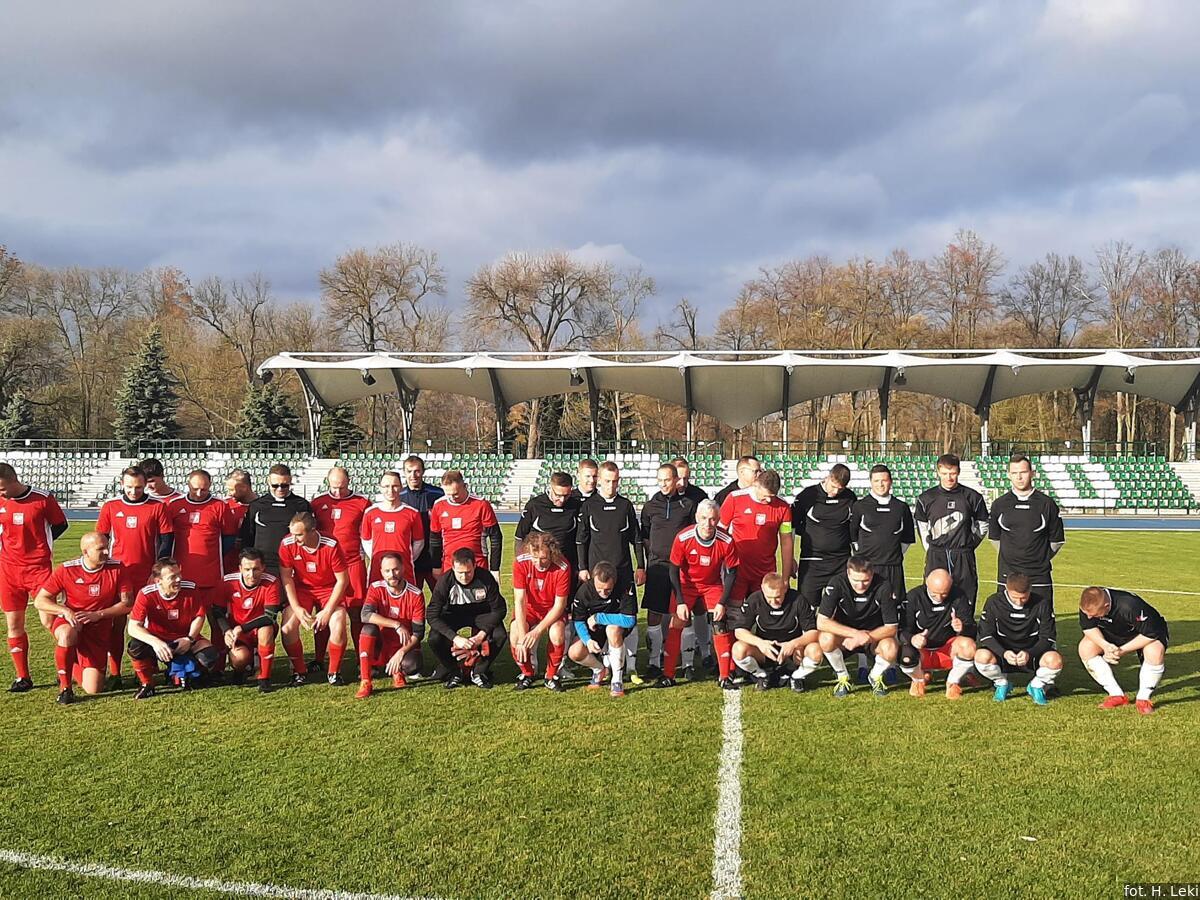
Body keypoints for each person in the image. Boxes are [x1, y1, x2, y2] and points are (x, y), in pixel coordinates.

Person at [32, 532, 134, 703]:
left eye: (107, 547)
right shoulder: (67, 569)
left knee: (93, 689)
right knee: (66, 633)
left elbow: (127, 604)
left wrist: (98, 615)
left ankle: (71, 663)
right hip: (72, 621)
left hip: (98, 627)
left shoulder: (117, 568)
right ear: (85, 552)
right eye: (101, 549)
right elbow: (40, 600)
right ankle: (65, 688)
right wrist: (65, 611)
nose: (107, 552)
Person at [95, 465, 173, 688]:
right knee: (117, 624)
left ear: (145, 484)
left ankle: (153, 668)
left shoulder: (158, 507)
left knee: (152, 623)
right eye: (129, 487)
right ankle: (115, 673)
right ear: (122, 484)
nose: (133, 491)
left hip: (146, 575)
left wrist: (156, 572)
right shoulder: (111, 506)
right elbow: (101, 539)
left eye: (138, 487)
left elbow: (166, 541)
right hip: (118, 576)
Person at [0, 462, 69, 691]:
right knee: (14, 624)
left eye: (2, 488)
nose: (1, 493)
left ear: (13, 480)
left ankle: (70, 663)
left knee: (49, 620)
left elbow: (61, 525)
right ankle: (23, 677)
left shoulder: (42, 498)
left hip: (38, 570)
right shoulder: (1, 501)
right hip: (8, 571)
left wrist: (40, 543)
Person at [576, 461, 646, 681]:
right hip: (597, 576)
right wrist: (582, 567)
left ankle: (631, 666)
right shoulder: (589, 506)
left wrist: (641, 565)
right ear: (599, 480)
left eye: (615, 481)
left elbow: (636, 539)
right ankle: (607, 662)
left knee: (628, 617)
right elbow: (581, 540)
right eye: (607, 481)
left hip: (623, 573)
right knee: (599, 619)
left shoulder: (625, 505)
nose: (611, 485)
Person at [658, 499, 739, 688]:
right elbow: (673, 570)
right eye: (704, 518)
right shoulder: (683, 538)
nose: (708, 524)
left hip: (712, 585)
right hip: (686, 585)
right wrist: (680, 601)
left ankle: (725, 675)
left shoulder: (726, 540)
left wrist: (722, 602)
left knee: (719, 623)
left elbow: (732, 572)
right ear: (696, 517)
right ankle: (668, 675)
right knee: (676, 623)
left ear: (718, 519)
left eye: (712, 519)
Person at [165, 469, 237, 671]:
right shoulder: (174, 505)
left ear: (210, 485)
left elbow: (229, 539)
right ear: (188, 485)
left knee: (217, 622)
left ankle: (218, 667)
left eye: (204, 489)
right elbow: (166, 539)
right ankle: (177, 667)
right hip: (181, 580)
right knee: (179, 623)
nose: (199, 493)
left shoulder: (219, 506)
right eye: (195, 488)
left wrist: (211, 557)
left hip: (211, 577)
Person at [126, 558, 217, 700]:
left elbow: (199, 617)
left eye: (179, 574)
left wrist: (189, 639)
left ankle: (186, 673)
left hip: (184, 638)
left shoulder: (190, 588)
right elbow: (133, 627)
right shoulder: (146, 594)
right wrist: (156, 642)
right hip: (159, 639)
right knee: (135, 646)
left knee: (209, 656)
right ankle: (147, 684)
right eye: (172, 577)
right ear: (158, 581)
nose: (179, 579)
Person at [277, 512, 351, 687]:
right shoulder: (287, 543)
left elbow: (342, 580)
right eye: (292, 533)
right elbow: (286, 577)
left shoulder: (330, 544)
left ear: (312, 531)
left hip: (329, 589)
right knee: (287, 627)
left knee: (338, 621)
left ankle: (334, 672)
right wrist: (296, 608)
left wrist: (327, 611)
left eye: (299, 534)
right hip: (303, 589)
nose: (294, 538)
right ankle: (299, 671)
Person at [639, 463, 696, 679]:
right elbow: (644, 535)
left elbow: (693, 534)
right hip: (657, 568)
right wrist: (651, 556)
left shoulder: (688, 505)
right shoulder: (650, 506)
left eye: (667, 480)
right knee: (654, 613)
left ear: (676, 480)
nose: (663, 484)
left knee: (683, 613)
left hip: (681, 569)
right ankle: (654, 662)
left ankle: (688, 663)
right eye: (660, 480)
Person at [311, 466, 371, 663]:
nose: (337, 492)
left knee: (356, 611)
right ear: (328, 483)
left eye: (342, 487)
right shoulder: (317, 503)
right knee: (324, 611)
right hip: (326, 566)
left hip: (353, 563)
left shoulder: (362, 503)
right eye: (334, 487)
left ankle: (363, 659)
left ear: (349, 482)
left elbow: (368, 534)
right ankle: (319, 659)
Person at [1078, 586, 1168, 715]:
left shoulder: (1130, 605)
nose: (1089, 617)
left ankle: (1143, 699)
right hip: (1113, 633)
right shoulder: (1089, 603)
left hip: (1145, 633)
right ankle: (1116, 695)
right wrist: (1105, 646)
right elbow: (1088, 628)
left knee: (1155, 651)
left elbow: (1150, 634)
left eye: (1094, 615)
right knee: (1085, 648)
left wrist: (1121, 650)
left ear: (1106, 606)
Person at [426, 547, 508, 689]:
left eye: (468, 572)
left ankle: (479, 671)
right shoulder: (445, 581)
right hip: (453, 614)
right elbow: (432, 615)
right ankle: (454, 670)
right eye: (460, 573)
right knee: (434, 638)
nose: (464, 577)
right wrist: (455, 638)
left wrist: (481, 635)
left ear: (475, 566)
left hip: (481, 613)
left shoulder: (486, 578)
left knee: (500, 635)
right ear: (453, 568)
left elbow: (499, 609)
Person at [988, 453, 1065, 605]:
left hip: (1038, 574)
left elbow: (1056, 541)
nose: (1019, 477)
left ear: (1032, 473)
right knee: (1006, 615)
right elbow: (994, 538)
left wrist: (1039, 557)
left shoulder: (1047, 504)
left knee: (1042, 614)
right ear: (1009, 475)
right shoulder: (999, 504)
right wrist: (1011, 556)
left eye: (1023, 472)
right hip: (1008, 573)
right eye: (1014, 473)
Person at [817, 557, 899, 698]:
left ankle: (874, 677)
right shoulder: (837, 583)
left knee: (891, 647)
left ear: (872, 574)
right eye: (855, 580)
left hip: (873, 638)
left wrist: (867, 637)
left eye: (865, 580)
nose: (860, 586)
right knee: (825, 638)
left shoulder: (884, 586)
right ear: (848, 573)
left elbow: (891, 627)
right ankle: (843, 677)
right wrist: (855, 634)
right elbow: (822, 622)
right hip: (846, 638)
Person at [974, 573, 1061, 705]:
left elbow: (1048, 637)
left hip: (1031, 652)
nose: (1019, 602)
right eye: (1015, 597)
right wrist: (1003, 652)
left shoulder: (1042, 603)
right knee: (981, 656)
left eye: (1024, 598)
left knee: (1055, 661)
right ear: (1006, 589)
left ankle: (1036, 685)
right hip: (1004, 652)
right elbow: (985, 635)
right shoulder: (993, 602)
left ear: (1030, 590)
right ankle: (1001, 683)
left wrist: (1029, 653)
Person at [915, 453, 989, 606]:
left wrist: (970, 544)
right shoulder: (926, 498)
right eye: (944, 473)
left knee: (966, 598)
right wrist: (930, 548)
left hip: (963, 555)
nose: (948, 478)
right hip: (937, 554)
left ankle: (964, 622)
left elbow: (983, 524)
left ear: (958, 472)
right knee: (934, 597)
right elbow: (922, 526)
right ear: (938, 472)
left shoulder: (973, 497)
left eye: (953, 473)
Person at [731, 573, 823, 692]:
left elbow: (813, 633)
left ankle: (797, 677)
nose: (773, 601)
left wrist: (793, 644)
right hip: (765, 652)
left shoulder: (798, 599)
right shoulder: (755, 599)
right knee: (738, 649)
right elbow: (739, 631)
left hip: (793, 652)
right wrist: (760, 643)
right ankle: (761, 675)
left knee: (815, 651)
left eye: (778, 597)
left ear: (785, 588)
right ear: (762, 589)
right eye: (769, 597)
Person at [897, 569, 977, 699]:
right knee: (905, 656)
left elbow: (972, 628)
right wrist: (913, 639)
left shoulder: (959, 595)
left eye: (944, 593)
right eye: (934, 594)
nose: (940, 598)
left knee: (969, 646)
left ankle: (952, 682)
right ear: (927, 584)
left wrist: (962, 627)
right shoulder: (913, 597)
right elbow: (902, 631)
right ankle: (918, 679)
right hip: (922, 650)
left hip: (947, 649)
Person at [356, 551, 426, 698]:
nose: (392, 574)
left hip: (403, 644)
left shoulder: (416, 595)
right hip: (382, 642)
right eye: (387, 571)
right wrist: (396, 624)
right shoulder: (376, 588)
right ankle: (365, 681)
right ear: (381, 572)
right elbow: (365, 615)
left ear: (403, 568)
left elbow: (418, 633)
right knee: (368, 629)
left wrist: (401, 652)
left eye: (395, 569)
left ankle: (398, 671)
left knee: (413, 665)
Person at [718, 468, 794, 604]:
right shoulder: (735, 498)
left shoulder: (783, 507)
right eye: (765, 495)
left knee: (762, 611)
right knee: (734, 611)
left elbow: (786, 542)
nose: (769, 500)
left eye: (772, 496)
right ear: (756, 484)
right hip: (737, 570)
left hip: (765, 572)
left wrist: (785, 578)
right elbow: (720, 533)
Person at [212, 548, 280, 693]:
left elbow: (270, 616)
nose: (251, 574)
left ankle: (264, 678)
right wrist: (226, 630)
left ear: (263, 567)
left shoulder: (271, 582)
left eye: (256, 569)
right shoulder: (228, 582)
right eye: (247, 569)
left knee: (266, 630)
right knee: (239, 658)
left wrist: (242, 628)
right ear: (240, 568)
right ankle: (239, 671)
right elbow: (217, 610)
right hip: (238, 632)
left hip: (258, 629)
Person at [510, 532, 572, 691]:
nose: (538, 563)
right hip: (530, 610)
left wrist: (537, 631)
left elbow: (559, 605)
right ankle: (527, 673)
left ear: (552, 553)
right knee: (515, 633)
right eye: (534, 557)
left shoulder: (563, 566)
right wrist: (523, 637)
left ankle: (551, 676)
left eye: (543, 558)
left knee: (557, 633)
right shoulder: (520, 562)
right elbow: (519, 600)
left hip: (551, 610)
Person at [793, 463, 857, 614]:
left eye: (840, 489)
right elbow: (792, 527)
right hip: (812, 561)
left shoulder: (850, 497)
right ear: (828, 477)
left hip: (841, 561)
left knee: (842, 608)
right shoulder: (807, 496)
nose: (835, 492)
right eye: (833, 486)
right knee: (807, 608)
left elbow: (853, 529)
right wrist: (790, 559)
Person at [568, 561, 637, 697]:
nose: (603, 593)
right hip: (595, 630)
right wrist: (587, 640)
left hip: (616, 627)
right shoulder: (584, 591)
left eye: (607, 590)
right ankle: (599, 669)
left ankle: (617, 680)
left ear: (614, 582)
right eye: (599, 589)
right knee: (574, 652)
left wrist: (599, 618)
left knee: (612, 630)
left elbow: (629, 620)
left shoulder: (625, 586)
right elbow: (579, 620)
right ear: (594, 580)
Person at [239, 463, 311, 574]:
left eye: (284, 485)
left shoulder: (301, 505)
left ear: (290, 481)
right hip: (263, 565)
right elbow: (247, 538)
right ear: (268, 481)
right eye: (275, 485)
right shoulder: (256, 506)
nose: (280, 489)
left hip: (292, 563)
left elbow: (309, 536)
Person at [429, 470, 502, 578]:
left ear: (465, 486)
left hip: (477, 564)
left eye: (455, 494)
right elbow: (435, 538)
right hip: (449, 565)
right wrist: (436, 566)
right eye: (448, 494)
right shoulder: (439, 505)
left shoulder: (481, 504)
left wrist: (494, 569)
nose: (452, 498)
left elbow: (495, 536)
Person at [515, 471, 581, 573]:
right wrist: (520, 562)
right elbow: (519, 536)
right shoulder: (535, 505)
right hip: (538, 563)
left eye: (566, 495)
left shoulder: (576, 506)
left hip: (565, 565)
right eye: (558, 495)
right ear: (550, 488)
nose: (562, 500)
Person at [398, 454, 445, 592]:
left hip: (434, 557)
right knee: (411, 597)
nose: (413, 475)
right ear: (404, 472)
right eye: (409, 471)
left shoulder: (437, 494)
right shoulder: (399, 496)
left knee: (441, 597)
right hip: (411, 559)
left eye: (417, 471)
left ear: (423, 471)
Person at [221, 469, 257, 575]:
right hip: (227, 566)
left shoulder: (262, 507)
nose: (229, 493)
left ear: (244, 487)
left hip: (252, 567)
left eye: (232, 490)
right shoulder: (224, 505)